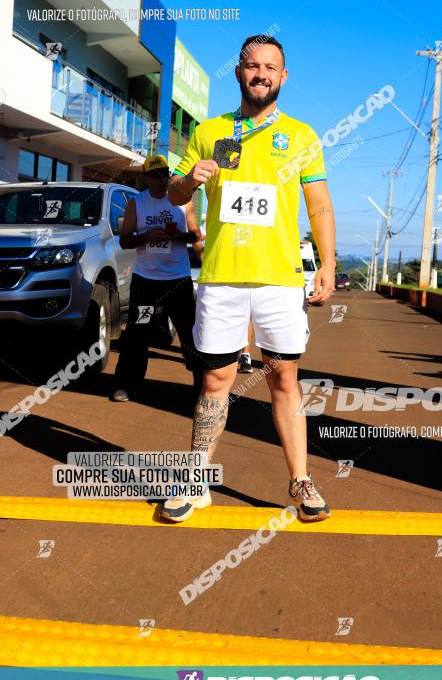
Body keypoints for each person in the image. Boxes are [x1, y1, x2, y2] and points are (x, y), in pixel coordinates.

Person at [161, 34, 336, 523]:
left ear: (283, 76)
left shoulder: (302, 136)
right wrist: (191, 179)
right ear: (238, 72)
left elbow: (319, 204)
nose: (261, 73)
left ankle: (300, 480)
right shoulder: (210, 130)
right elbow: (174, 194)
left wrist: (328, 262)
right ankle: (196, 481)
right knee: (216, 378)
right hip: (221, 276)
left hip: (279, 280)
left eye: (270, 67)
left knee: (284, 377)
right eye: (252, 65)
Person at [110, 155, 202, 402]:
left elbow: (196, 236)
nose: (162, 179)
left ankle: (202, 389)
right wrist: (147, 236)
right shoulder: (137, 203)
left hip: (177, 281)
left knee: (189, 334)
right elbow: (125, 240)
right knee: (137, 333)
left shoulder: (183, 201)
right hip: (147, 281)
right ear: (146, 178)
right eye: (156, 175)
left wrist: (177, 235)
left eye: (165, 174)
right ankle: (126, 385)